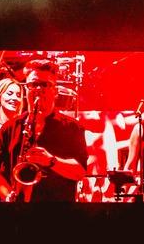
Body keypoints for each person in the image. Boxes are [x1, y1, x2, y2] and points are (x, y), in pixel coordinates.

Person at [10, 57, 93, 203]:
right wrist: (7, 196)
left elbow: (80, 172)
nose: (38, 89)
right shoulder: (10, 127)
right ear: (26, 89)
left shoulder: (73, 128)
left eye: (45, 84)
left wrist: (51, 161)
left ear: (55, 91)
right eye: (33, 84)